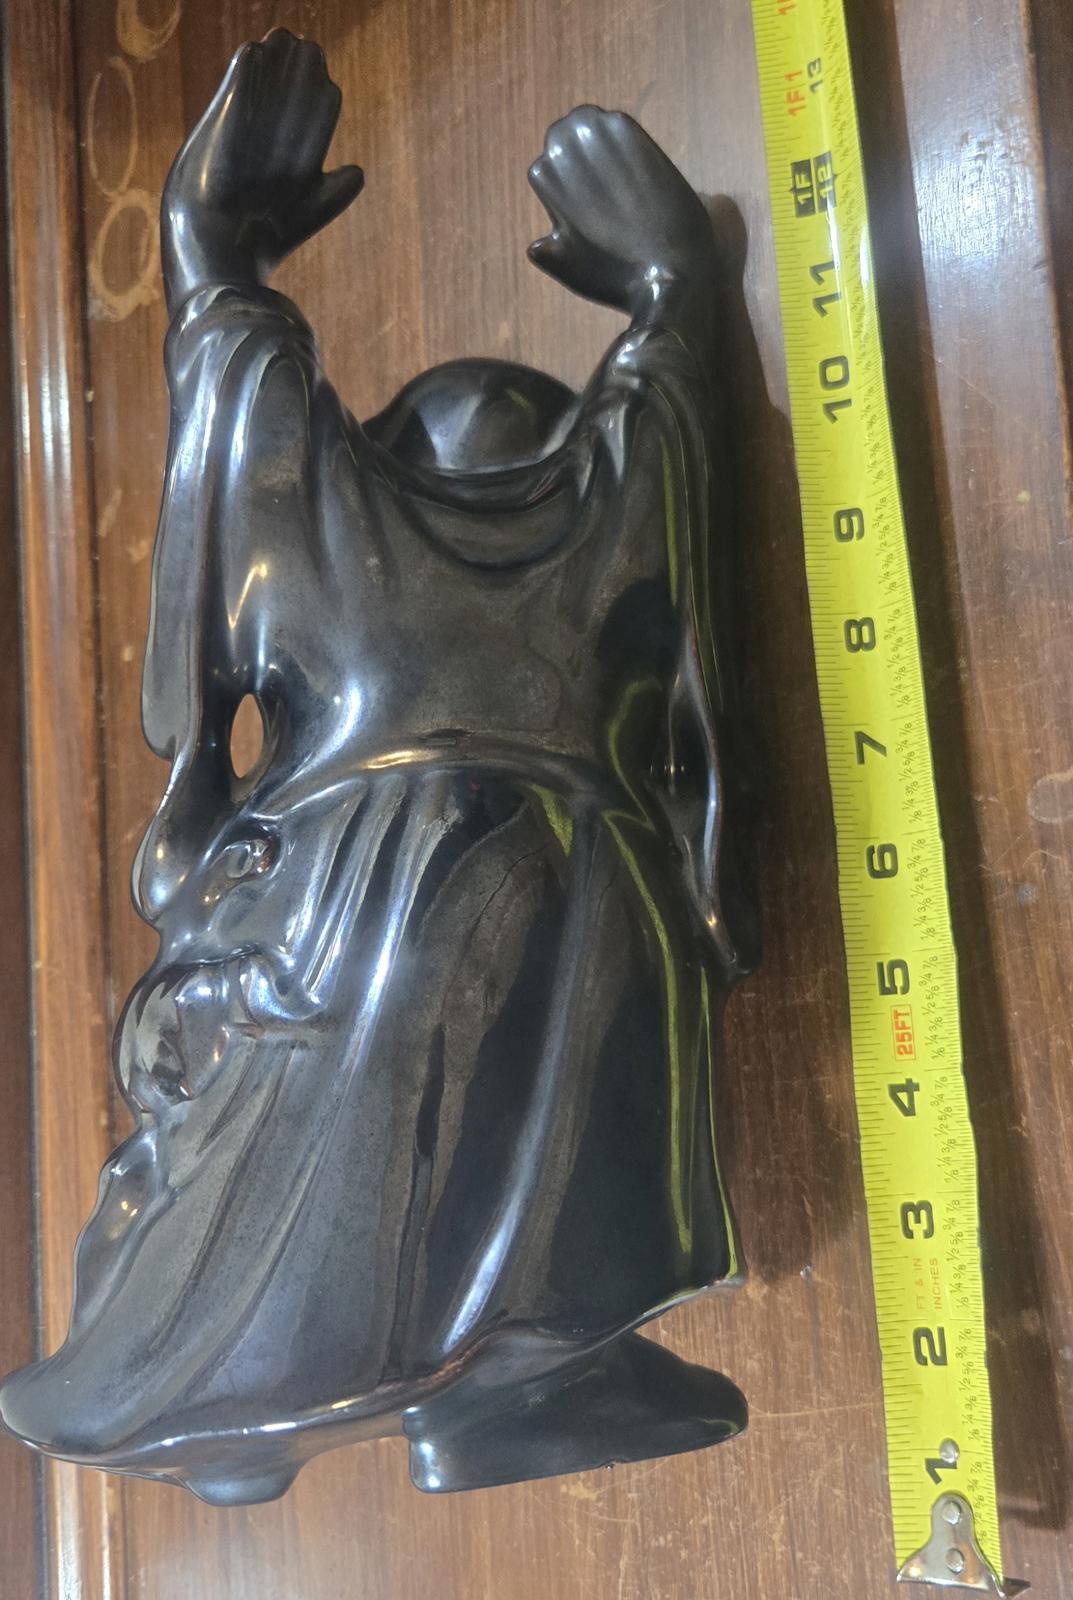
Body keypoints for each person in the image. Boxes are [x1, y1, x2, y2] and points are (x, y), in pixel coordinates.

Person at [0, 29, 757, 1504]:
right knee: (500, 1128)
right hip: (563, 875)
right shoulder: (598, 513)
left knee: (368, 1159)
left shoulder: (332, 524)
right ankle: (459, 1384)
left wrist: (214, 257)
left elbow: (246, 395)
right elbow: (661, 413)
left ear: (386, 452)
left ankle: (391, 1393)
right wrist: (670, 290)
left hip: (368, 892)